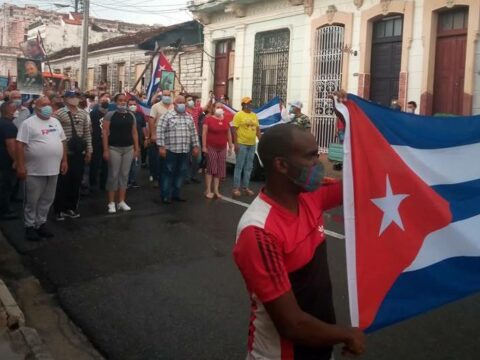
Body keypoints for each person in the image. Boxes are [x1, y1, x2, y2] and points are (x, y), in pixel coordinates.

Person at [233, 123, 366, 359]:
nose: (319, 163)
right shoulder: (258, 231)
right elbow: (291, 324)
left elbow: (360, 183)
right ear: (281, 165)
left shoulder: (308, 196)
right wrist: (346, 335)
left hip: (318, 345)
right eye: (311, 157)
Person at [16, 96, 68, 241]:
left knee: (47, 199)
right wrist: (20, 165)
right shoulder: (28, 123)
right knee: (32, 200)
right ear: (36, 106)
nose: (47, 107)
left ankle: (41, 223)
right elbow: (19, 145)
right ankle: (29, 226)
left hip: (53, 169)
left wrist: (64, 160)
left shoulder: (56, 122)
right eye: (43, 105)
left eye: (49, 104)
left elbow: (62, 141)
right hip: (34, 171)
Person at [52, 91, 92, 220]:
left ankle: (71, 207)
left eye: (76, 97)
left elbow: (87, 133)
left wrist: (89, 150)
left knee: (76, 181)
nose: (74, 99)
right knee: (62, 182)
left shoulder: (83, 113)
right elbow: (55, 134)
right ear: (65, 99)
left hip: (79, 153)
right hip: (64, 154)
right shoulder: (58, 114)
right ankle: (59, 209)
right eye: (71, 97)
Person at [156, 95, 200, 204]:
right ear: (174, 104)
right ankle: (165, 195)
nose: (181, 104)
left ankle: (176, 194)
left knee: (181, 173)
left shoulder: (188, 117)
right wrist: (161, 147)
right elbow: (160, 131)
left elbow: (193, 133)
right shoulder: (167, 116)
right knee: (168, 173)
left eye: (182, 102)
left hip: (184, 151)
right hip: (170, 150)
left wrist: (195, 146)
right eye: (178, 102)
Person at [102, 94, 140, 214]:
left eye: (125, 100)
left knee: (124, 175)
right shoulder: (110, 115)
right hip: (114, 148)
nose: (123, 102)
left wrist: (136, 148)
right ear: (116, 101)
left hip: (128, 148)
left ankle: (121, 201)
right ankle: (111, 202)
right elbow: (105, 133)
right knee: (113, 175)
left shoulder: (131, 115)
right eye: (120, 100)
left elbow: (134, 133)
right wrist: (106, 150)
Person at [202, 102, 233, 199]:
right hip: (211, 147)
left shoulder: (226, 120)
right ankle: (208, 190)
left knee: (219, 169)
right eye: (217, 107)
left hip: (222, 147)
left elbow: (228, 133)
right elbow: (204, 133)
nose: (219, 109)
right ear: (214, 108)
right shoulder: (208, 119)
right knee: (211, 168)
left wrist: (230, 146)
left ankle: (216, 190)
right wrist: (204, 146)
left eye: (221, 107)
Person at [232, 96, 261, 197]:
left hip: (252, 144)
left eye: (251, 103)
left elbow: (257, 129)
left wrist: (260, 140)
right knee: (239, 166)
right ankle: (236, 188)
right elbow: (234, 129)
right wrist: (236, 143)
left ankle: (245, 187)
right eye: (248, 103)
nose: (250, 105)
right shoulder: (238, 115)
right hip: (242, 143)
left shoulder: (254, 115)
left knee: (249, 167)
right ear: (243, 105)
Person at [148, 90, 173, 185]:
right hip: (158, 137)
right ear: (162, 96)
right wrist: (153, 134)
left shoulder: (173, 107)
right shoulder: (156, 106)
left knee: (167, 159)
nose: (167, 97)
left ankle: (165, 178)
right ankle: (156, 178)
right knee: (157, 159)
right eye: (165, 95)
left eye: (169, 95)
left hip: (170, 138)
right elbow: (151, 121)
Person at [0, 101, 18, 220]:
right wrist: (17, 160)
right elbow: (11, 145)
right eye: (14, 109)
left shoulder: (2, 123)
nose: (16, 111)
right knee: (5, 186)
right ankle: (4, 211)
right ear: (10, 110)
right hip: (6, 161)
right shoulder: (9, 125)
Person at [89, 92, 110, 191]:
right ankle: (92, 183)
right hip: (96, 140)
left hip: (108, 141)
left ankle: (103, 183)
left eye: (107, 99)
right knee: (95, 162)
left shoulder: (111, 113)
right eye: (103, 99)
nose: (105, 100)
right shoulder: (94, 113)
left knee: (106, 163)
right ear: (99, 101)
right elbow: (90, 127)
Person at [127, 99, 147, 188]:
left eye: (134, 104)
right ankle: (126, 181)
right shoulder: (125, 115)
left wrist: (146, 138)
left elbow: (143, 127)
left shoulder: (140, 115)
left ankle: (133, 180)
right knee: (127, 163)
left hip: (138, 142)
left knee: (136, 163)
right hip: (126, 143)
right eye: (130, 104)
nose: (132, 106)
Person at [186, 95, 202, 184]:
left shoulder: (196, 109)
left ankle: (193, 175)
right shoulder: (183, 111)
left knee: (198, 158)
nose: (191, 101)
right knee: (187, 158)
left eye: (191, 100)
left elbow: (207, 107)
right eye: (189, 100)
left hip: (195, 137)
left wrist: (211, 99)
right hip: (186, 137)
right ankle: (187, 177)